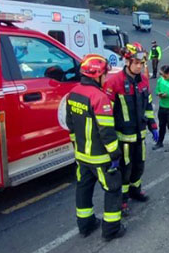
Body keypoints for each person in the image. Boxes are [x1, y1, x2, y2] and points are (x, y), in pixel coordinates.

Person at [66, 54, 125, 241]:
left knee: (83, 189)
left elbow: (71, 125)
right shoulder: (99, 98)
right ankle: (111, 230)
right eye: (104, 75)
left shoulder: (73, 93)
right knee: (113, 189)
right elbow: (106, 131)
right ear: (97, 76)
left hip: (82, 155)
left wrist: (77, 146)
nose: (106, 79)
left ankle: (85, 225)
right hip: (100, 157)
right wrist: (115, 153)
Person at [104, 43, 158, 214]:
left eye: (142, 63)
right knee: (125, 169)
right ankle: (123, 198)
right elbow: (107, 116)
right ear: (127, 62)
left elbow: (148, 105)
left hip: (140, 134)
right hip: (123, 136)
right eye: (137, 63)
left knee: (139, 165)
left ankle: (135, 191)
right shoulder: (115, 83)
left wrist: (153, 126)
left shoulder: (143, 81)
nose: (140, 66)